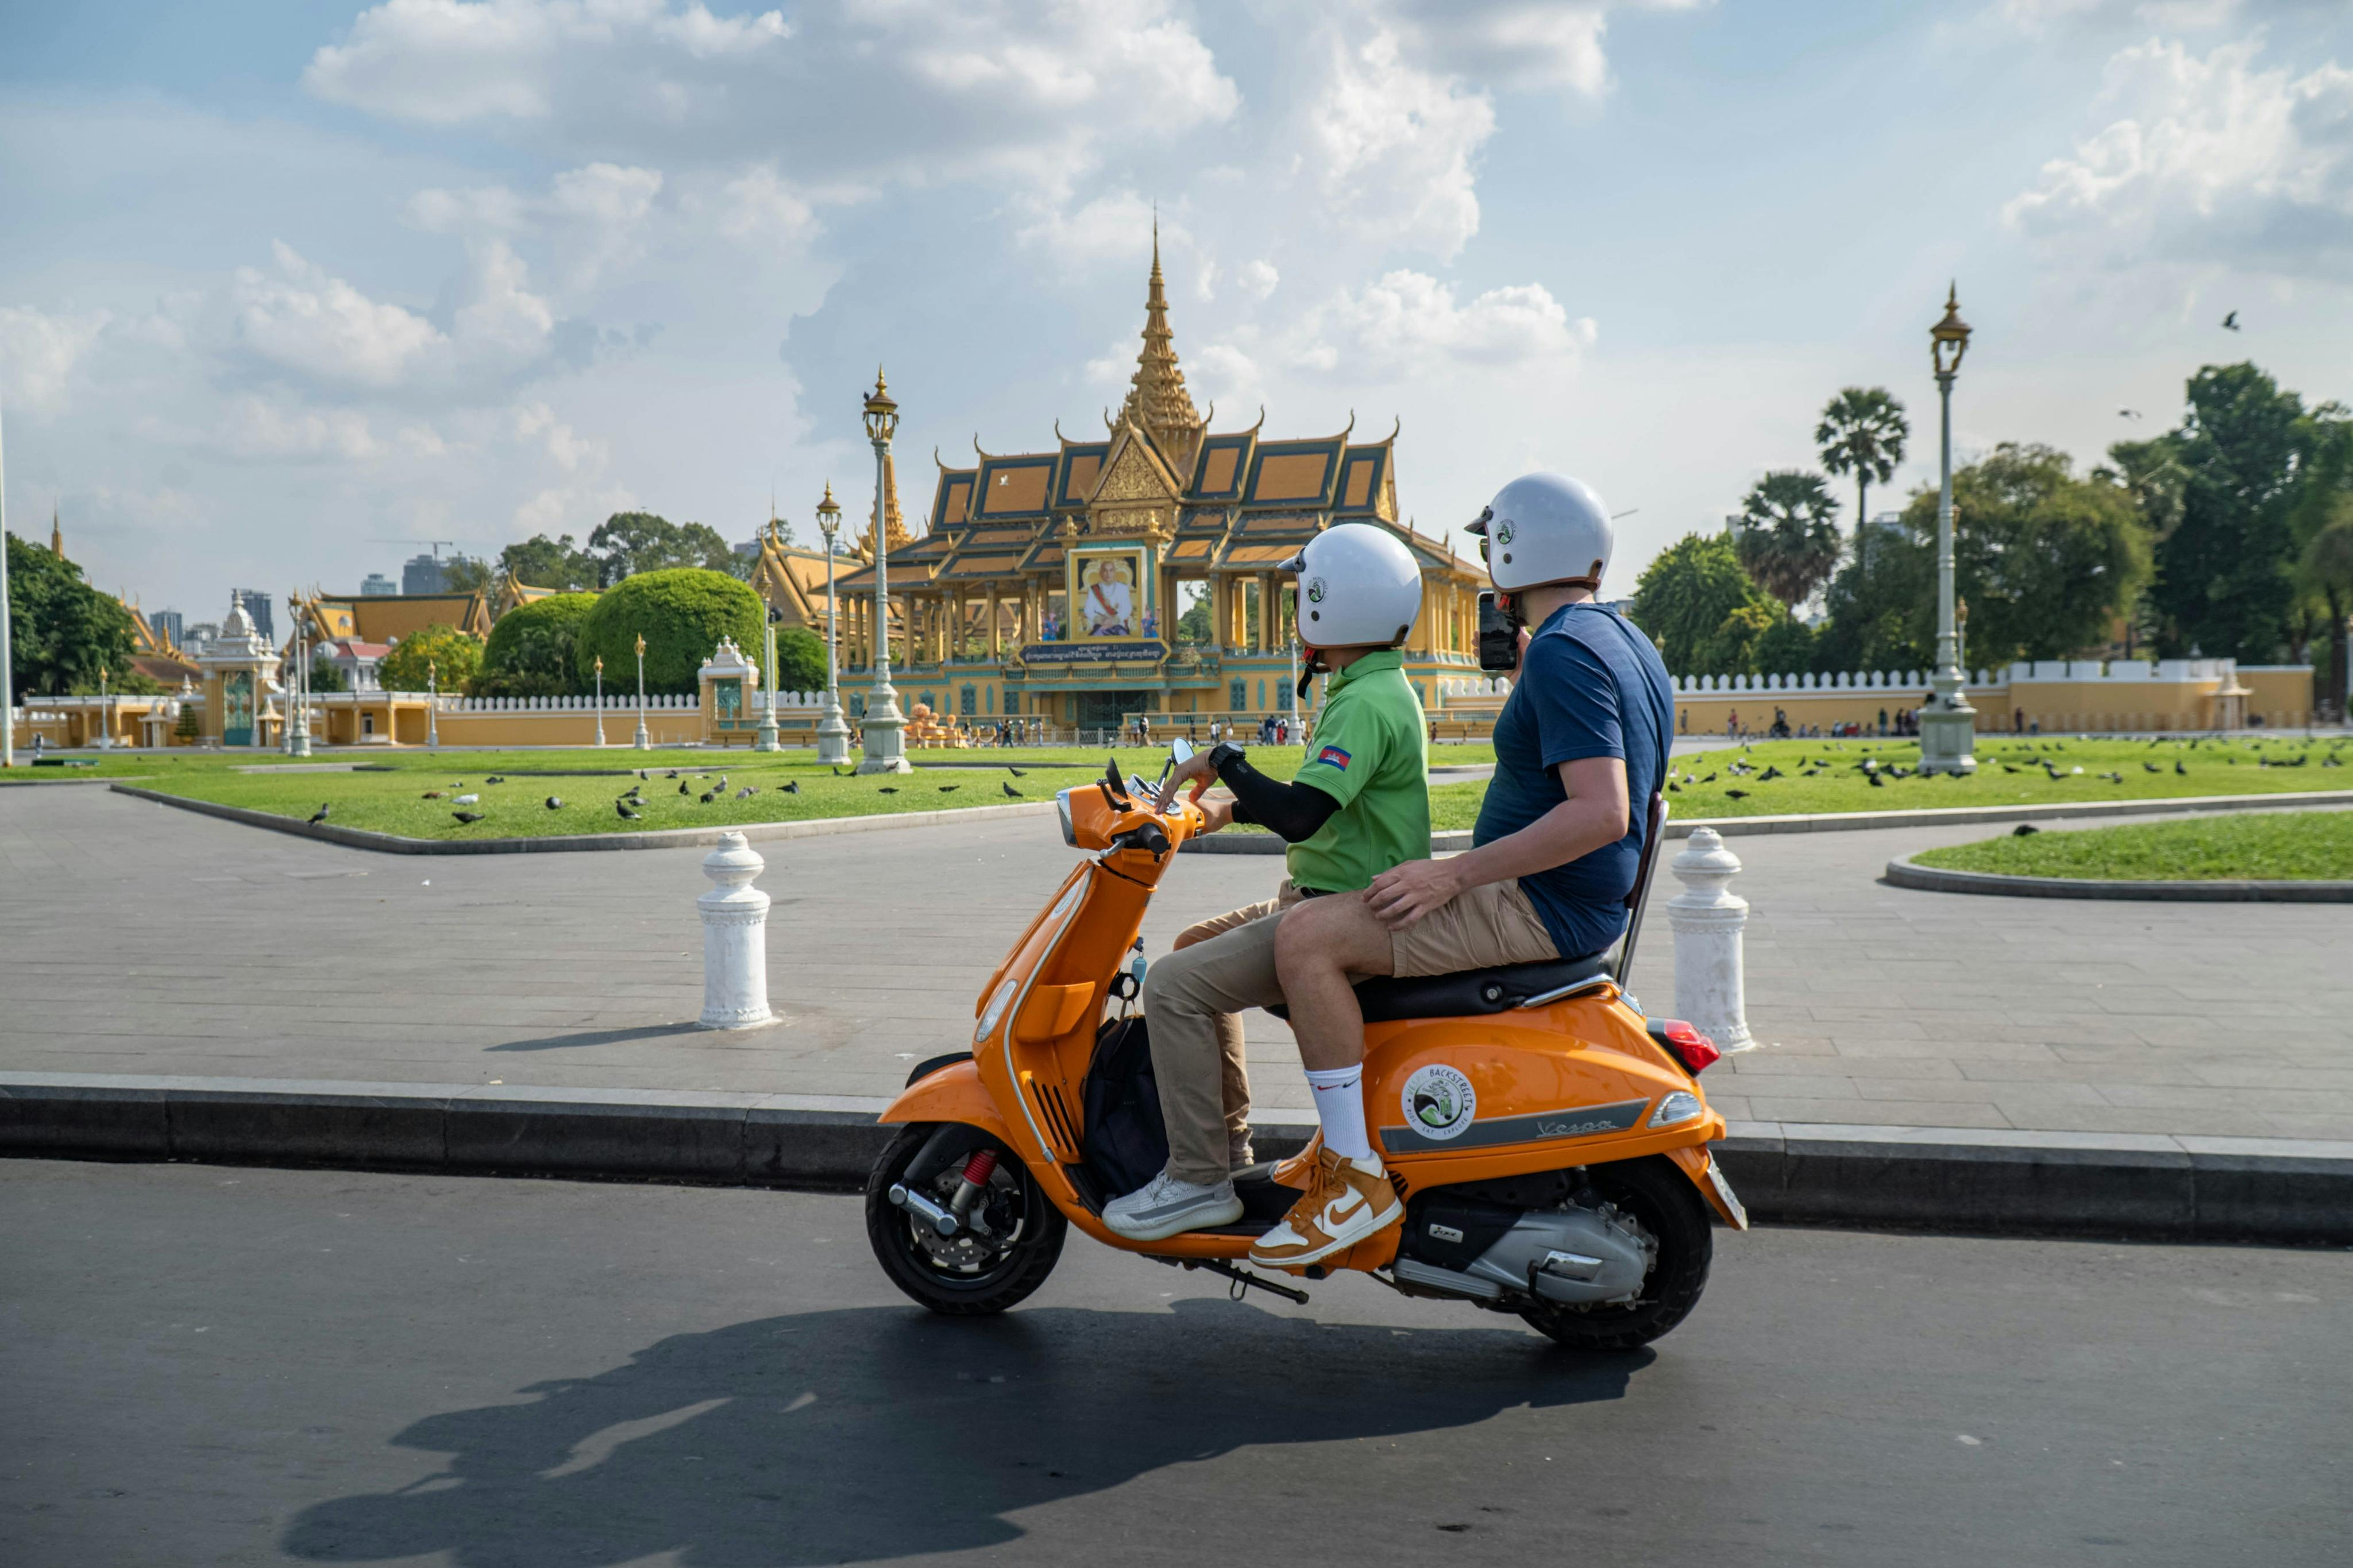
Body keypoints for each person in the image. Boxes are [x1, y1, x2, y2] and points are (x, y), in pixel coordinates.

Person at [1252, 473, 1671, 1270]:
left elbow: (1600, 810)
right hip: (1572, 898)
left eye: (1490, 546)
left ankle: (1352, 1181)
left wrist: (1455, 875)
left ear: (1513, 551)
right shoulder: (1621, 640)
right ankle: (1358, 1141)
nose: (1486, 563)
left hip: (1540, 902)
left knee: (1305, 939)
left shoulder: (1564, 655)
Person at [1101, 524, 1430, 1241]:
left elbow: (1303, 817)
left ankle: (1194, 1180)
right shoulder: (1367, 687)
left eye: (1303, 593)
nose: (1295, 612)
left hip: (1347, 914)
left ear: (1328, 603)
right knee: (1191, 945)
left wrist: (1226, 760)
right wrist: (1222, 809)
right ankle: (1226, 1150)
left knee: (1172, 985)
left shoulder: (1365, 702)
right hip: (1328, 899)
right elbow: (1323, 798)